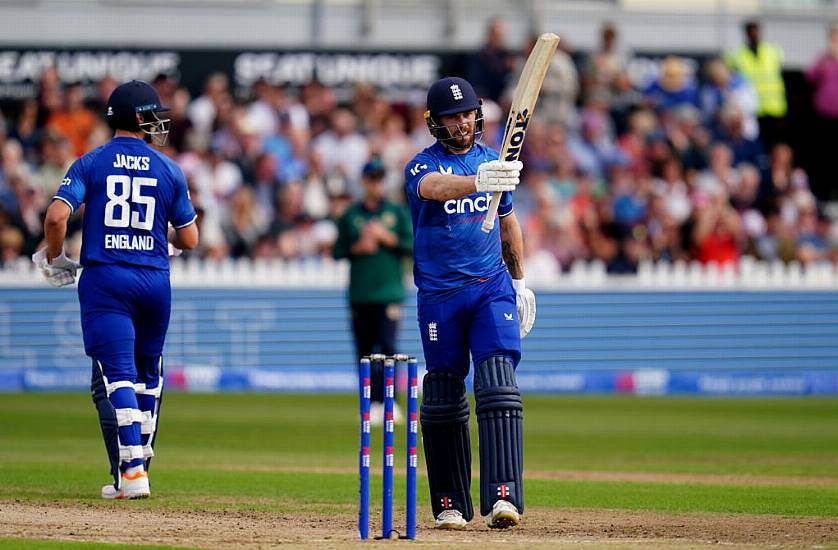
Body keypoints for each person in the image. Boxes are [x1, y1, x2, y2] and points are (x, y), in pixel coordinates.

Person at [32, 80, 199, 499]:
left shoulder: (91, 162)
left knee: (117, 375)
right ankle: (136, 467)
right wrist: (164, 241)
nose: (160, 121)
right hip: (155, 280)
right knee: (148, 375)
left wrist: (55, 257)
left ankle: (133, 472)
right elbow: (191, 239)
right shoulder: (169, 168)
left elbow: (56, 218)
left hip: (107, 279)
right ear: (140, 118)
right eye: (155, 113)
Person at [404, 76, 535, 531]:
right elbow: (436, 189)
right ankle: (450, 503)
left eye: (467, 114)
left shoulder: (494, 163)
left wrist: (519, 283)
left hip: (489, 287)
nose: (461, 123)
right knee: (442, 393)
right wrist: (478, 180)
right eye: (451, 117)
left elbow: (508, 224)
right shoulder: (422, 167)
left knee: (498, 380)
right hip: (440, 295)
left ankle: (504, 497)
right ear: (434, 123)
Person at [333, 158, 413, 424]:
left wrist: (385, 237)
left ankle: (390, 402)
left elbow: (411, 246)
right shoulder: (351, 215)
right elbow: (337, 251)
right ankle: (369, 404)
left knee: (388, 347)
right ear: (364, 182)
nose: (376, 185)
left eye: (380, 179)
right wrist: (359, 246)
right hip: (361, 293)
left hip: (388, 292)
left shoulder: (397, 213)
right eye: (371, 179)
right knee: (364, 352)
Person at [726, 21, 787, 147]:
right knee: (755, 143)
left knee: (773, 143)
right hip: (751, 109)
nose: (754, 35)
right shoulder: (738, 56)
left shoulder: (773, 52)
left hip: (773, 107)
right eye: (751, 32)